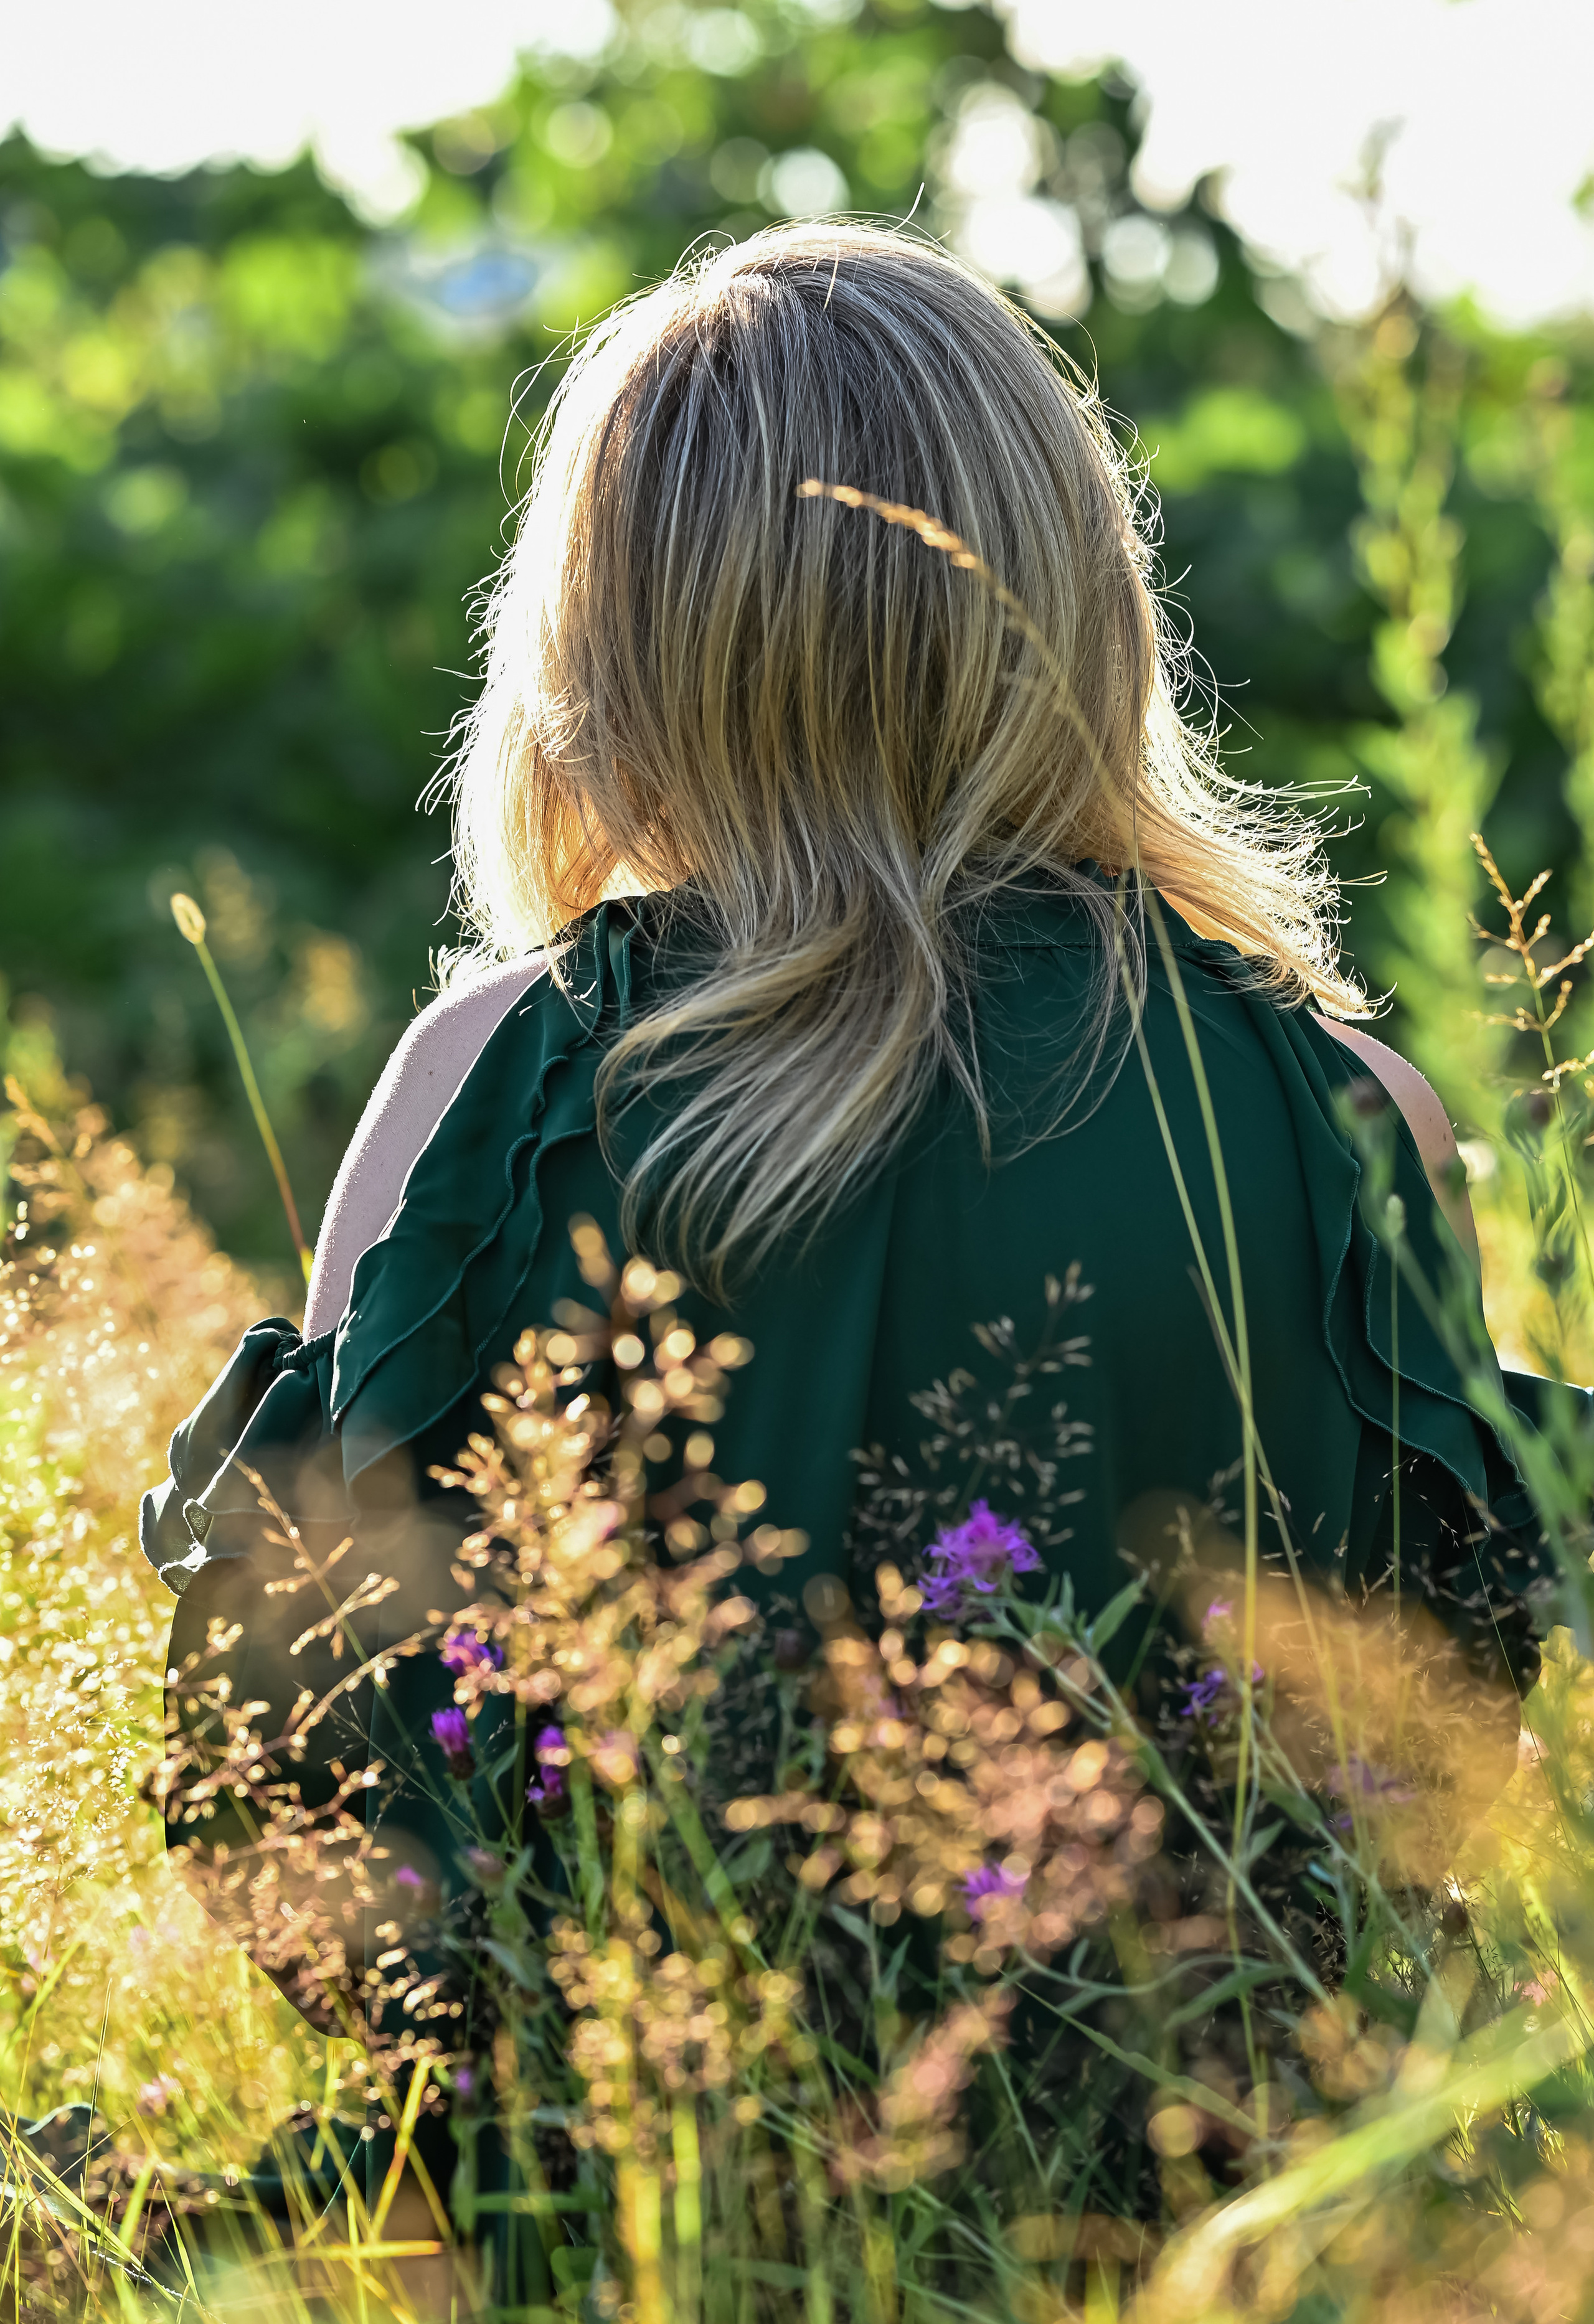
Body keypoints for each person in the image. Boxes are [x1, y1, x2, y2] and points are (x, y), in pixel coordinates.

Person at [140, 222, 1541, 2283]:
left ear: (599, 652)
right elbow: (1432, 1789)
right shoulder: (1342, 1117)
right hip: (1207, 2256)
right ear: (1074, 606)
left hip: (629, 2245)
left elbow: (316, 1802)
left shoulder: (491, 1093)